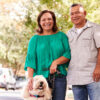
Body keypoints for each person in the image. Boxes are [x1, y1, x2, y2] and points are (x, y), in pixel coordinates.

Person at [24, 10, 71, 100]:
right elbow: (30, 60)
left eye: (49, 19)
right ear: (39, 22)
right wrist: (30, 79)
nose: (47, 22)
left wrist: (55, 62)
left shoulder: (62, 36)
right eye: (43, 20)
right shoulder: (35, 39)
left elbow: (68, 54)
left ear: (53, 20)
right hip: (39, 80)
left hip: (59, 78)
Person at [67, 3, 100, 100]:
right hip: (75, 78)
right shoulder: (69, 33)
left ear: (84, 13)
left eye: (77, 13)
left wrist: (98, 67)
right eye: (72, 14)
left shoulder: (95, 28)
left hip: (93, 77)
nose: (74, 16)